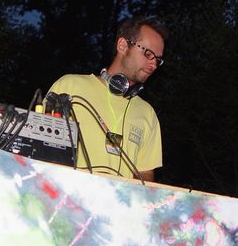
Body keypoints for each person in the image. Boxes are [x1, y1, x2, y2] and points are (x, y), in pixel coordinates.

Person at [48, 16, 167, 181]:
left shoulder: (147, 113)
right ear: (123, 45)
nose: (153, 65)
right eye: (148, 54)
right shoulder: (70, 86)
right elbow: (43, 148)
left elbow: (145, 174)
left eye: (158, 60)